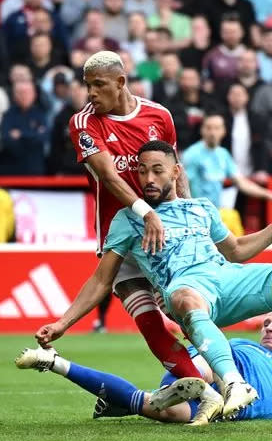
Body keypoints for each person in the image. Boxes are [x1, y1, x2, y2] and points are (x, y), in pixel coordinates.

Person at [35, 139, 272, 423]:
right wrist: (63, 323)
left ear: (176, 172)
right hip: (189, 292)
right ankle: (234, 384)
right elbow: (100, 280)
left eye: (157, 170)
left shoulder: (202, 208)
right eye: (141, 171)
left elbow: (236, 250)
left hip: (228, 278)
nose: (147, 179)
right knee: (184, 299)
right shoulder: (126, 220)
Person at [67, 51, 209, 388]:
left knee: (187, 313)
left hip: (166, 235)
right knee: (148, 321)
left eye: (98, 85)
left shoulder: (159, 115)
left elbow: (176, 169)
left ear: (120, 82)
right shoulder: (83, 123)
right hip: (121, 239)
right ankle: (201, 388)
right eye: (87, 86)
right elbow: (109, 177)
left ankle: (226, 379)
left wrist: (190, 214)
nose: (91, 93)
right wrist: (145, 214)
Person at [17, 309, 272, 424]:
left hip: (216, 414)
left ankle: (59, 365)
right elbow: (210, 356)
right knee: (202, 371)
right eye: (267, 323)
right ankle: (200, 388)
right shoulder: (240, 345)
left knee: (164, 410)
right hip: (216, 377)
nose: (269, 329)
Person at [181, 115, 272, 235]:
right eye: (208, 128)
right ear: (202, 130)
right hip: (194, 216)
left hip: (214, 215)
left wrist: (270, 195)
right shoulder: (191, 155)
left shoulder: (223, 154)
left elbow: (241, 183)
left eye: (217, 128)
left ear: (224, 131)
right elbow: (182, 186)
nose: (212, 132)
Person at [0, 81, 49, 175]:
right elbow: (6, 140)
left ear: (34, 94)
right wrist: (33, 134)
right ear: (14, 95)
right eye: (20, 93)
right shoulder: (8, 115)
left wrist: (20, 134)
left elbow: (43, 138)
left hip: (35, 170)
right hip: (12, 171)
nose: (24, 96)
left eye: (27, 92)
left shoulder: (40, 114)